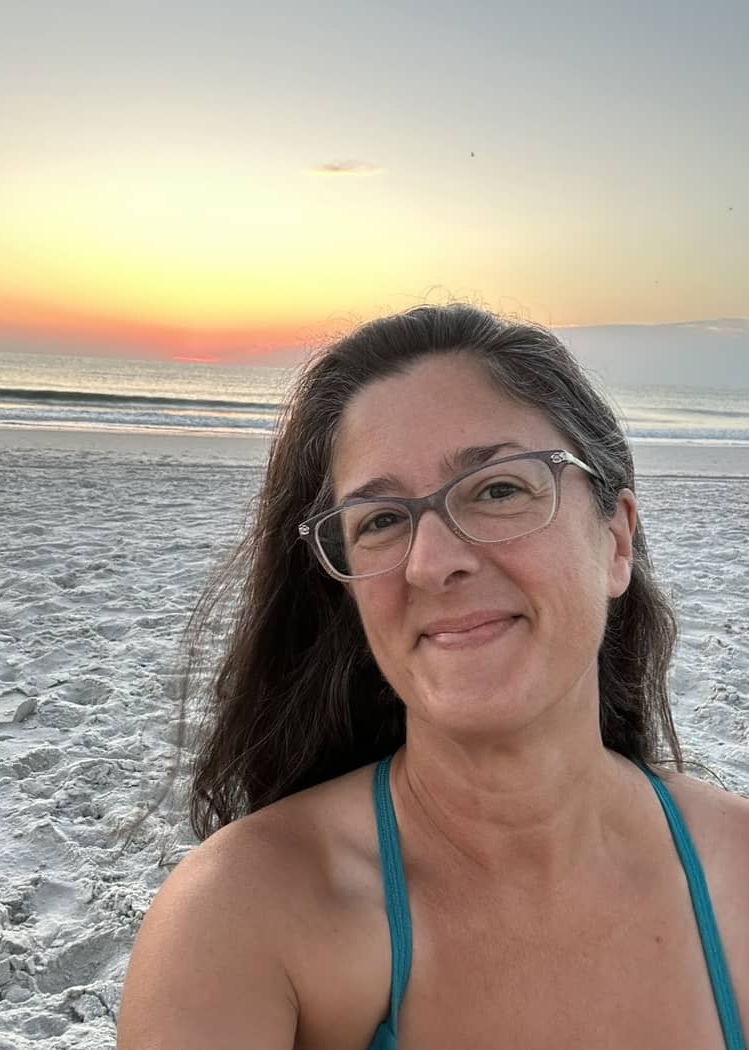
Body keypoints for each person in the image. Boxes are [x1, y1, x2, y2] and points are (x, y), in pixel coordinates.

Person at [117, 304, 749, 1049]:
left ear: (615, 542)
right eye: (380, 520)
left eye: (498, 489)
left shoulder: (736, 872)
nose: (432, 562)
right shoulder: (243, 917)